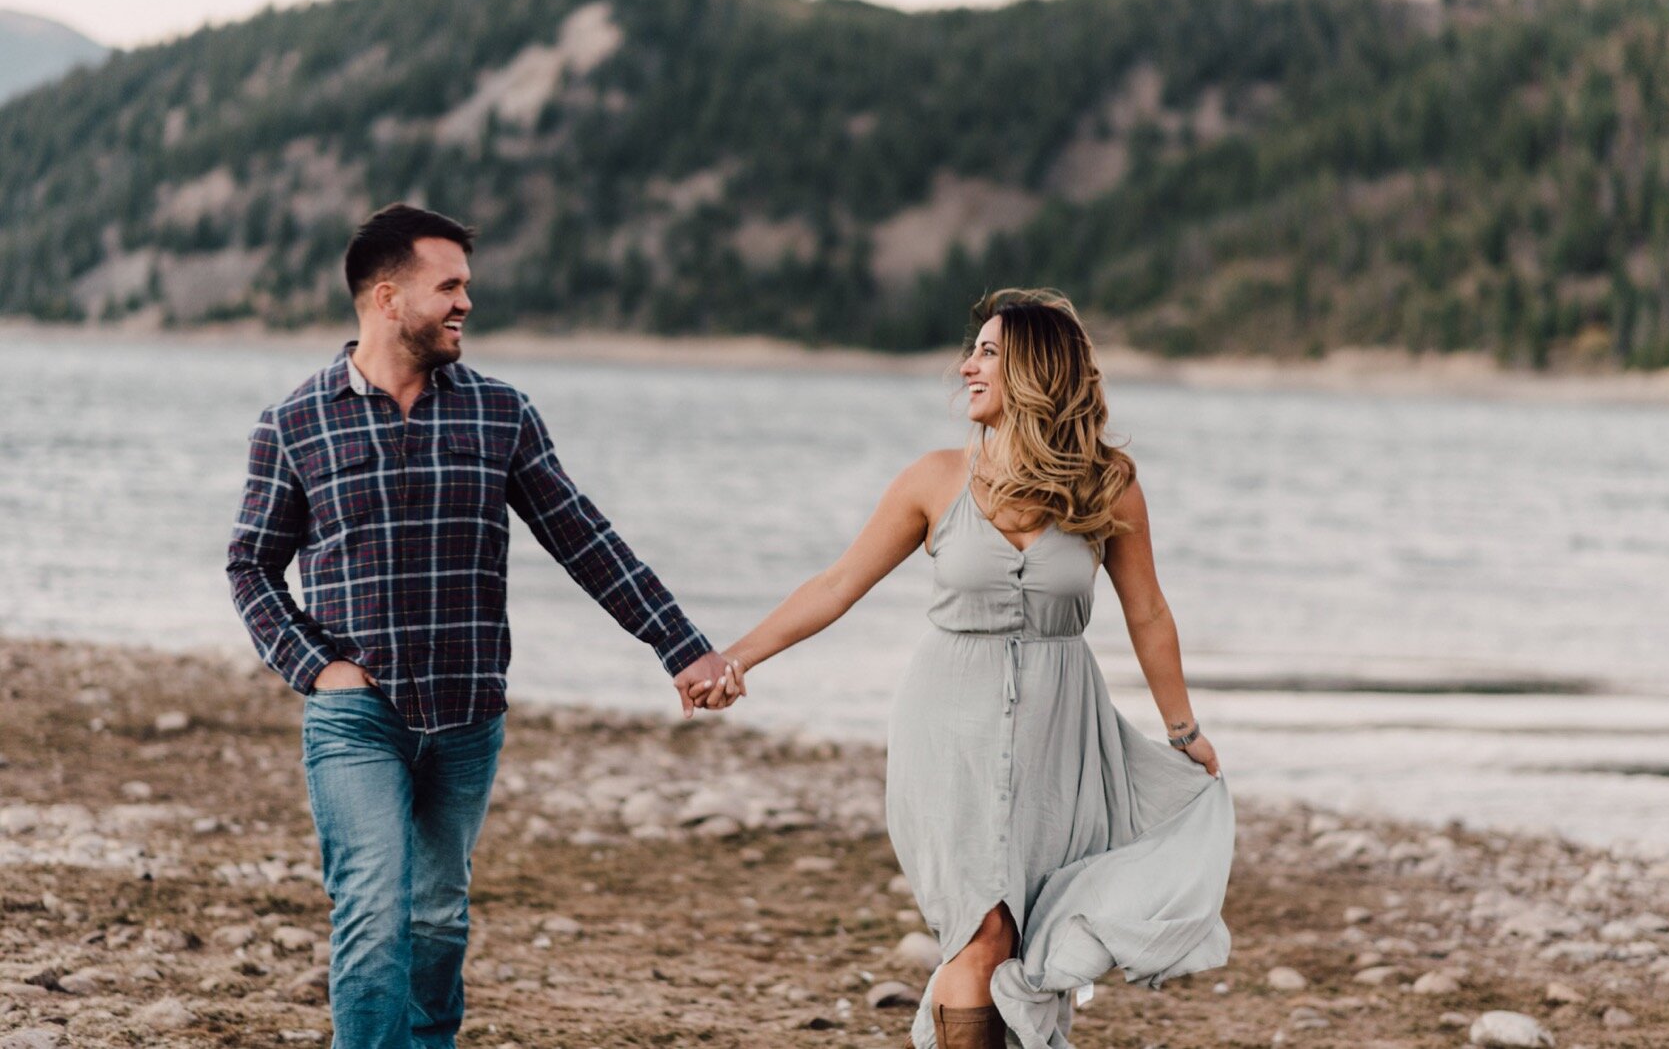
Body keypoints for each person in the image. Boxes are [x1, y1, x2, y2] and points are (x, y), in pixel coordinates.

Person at [226, 203, 732, 1049]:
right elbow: (250, 565)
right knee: (371, 907)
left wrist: (681, 646)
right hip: (357, 713)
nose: (466, 302)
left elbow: (585, 540)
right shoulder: (293, 423)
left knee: (435, 918)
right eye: (448, 285)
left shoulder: (502, 414)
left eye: (467, 284)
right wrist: (315, 666)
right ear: (388, 298)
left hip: (468, 716)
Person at [697, 289, 1233, 1049]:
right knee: (980, 930)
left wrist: (1184, 733)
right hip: (948, 720)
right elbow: (835, 585)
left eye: (987, 352)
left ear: (1036, 369)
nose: (966, 366)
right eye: (973, 350)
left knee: (1018, 936)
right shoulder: (934, 479)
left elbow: (1148, 615)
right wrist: (735, 657)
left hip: (1059, 730)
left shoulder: (1107, 483)